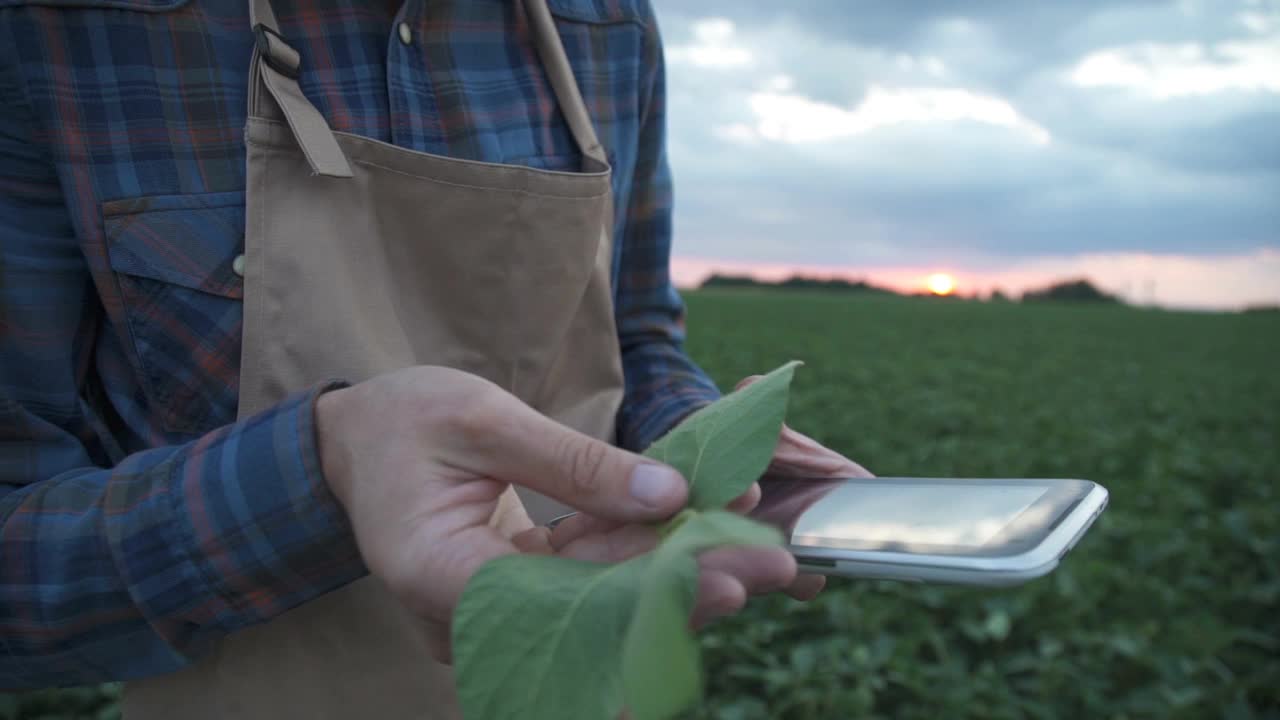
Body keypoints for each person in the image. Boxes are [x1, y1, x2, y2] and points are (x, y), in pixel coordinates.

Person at [0, 0, 870, 716]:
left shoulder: (606, 25)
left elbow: (637, 338)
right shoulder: (57, 30)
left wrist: (699, 447)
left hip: (582, 681)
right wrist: (319, 472)